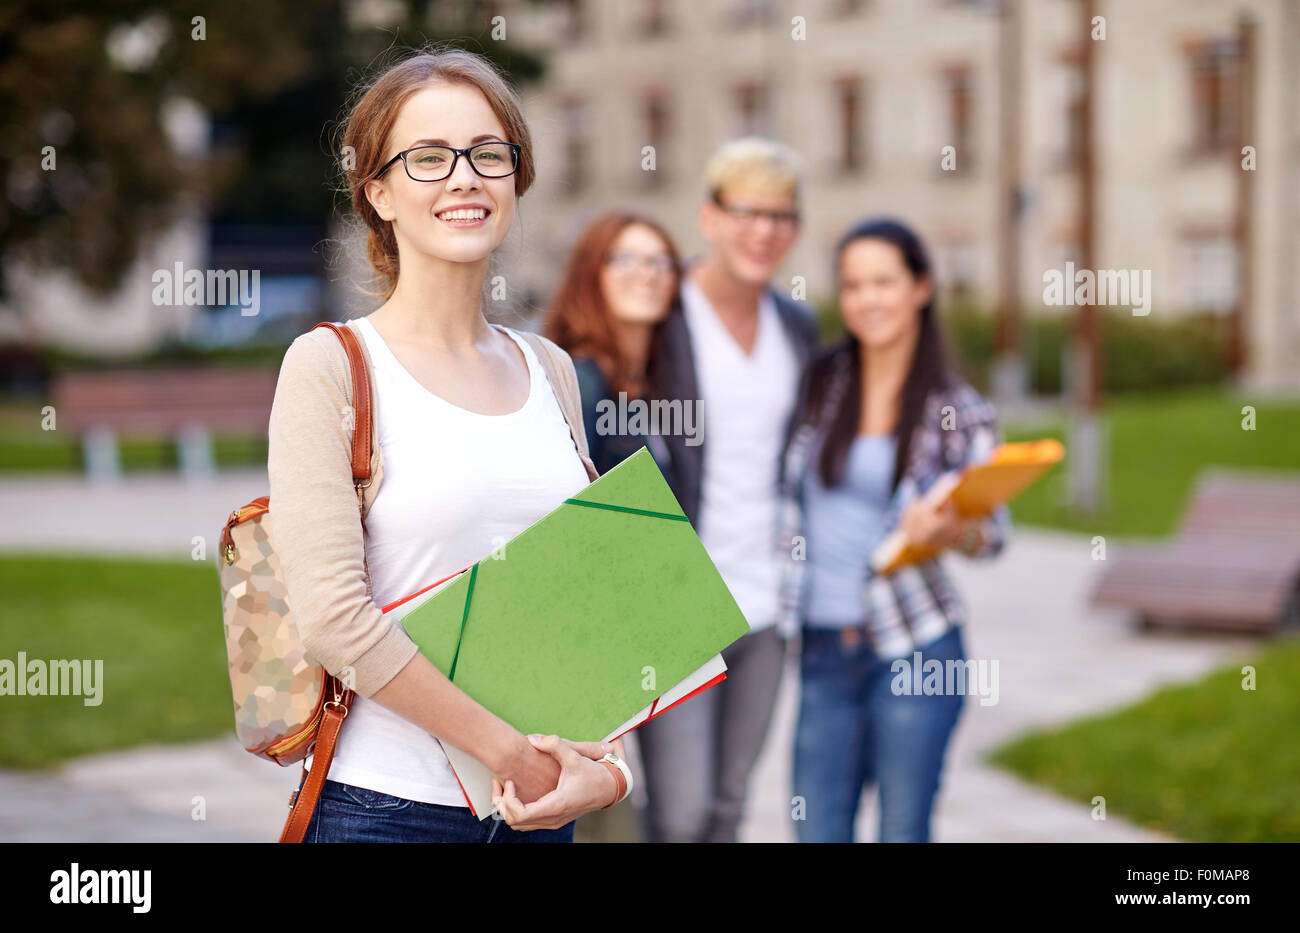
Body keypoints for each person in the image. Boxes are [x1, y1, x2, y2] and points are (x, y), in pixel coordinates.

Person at [267, 47, 630, 843]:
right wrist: (508, 751)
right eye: (428, 158)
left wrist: (608, 769)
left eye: (487, 154)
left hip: (539, 814)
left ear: (514, 179)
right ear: (379, 192)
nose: (464, 177)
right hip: (384, 812)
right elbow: (335, 620)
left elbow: (595, 602)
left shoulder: (550, 368)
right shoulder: (332, 365)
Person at [777, 217, 1012, 843]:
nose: (867, 300)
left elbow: (995, 534)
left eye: (883, 282)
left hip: (916, 647)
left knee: (903, 833)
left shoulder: (957, 408)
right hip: (824, 650)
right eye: (853, 286)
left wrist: (948, 533)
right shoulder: (821, 383)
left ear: (921, 288)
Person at [636, 137, 820, 843]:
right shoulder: (663, 311)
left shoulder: (795, 325)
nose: (764, 231)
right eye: (747, 211)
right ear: (709, 217)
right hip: (676, 603)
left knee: (729, 805)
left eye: (781, 216)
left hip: (767, 601)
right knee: (679, 814)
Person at [544, 211, 681, 484]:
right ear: (591, 273)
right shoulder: (582, 384)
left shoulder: (657, 383)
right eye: (625, 259)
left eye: (661, 261)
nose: (648, 274)